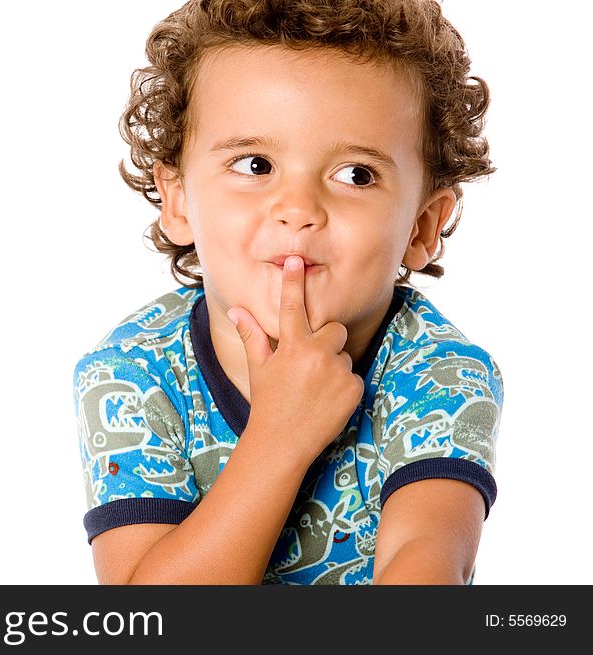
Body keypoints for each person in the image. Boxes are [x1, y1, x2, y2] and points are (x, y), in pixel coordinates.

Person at [72, 0, 503, 584]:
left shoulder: (441, 374)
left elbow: (425, 567)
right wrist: (278, 437)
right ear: (176, 201)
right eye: (254, 165)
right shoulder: (130, 376)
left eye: (356, 174)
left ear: (422, 226)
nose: (298, 210)